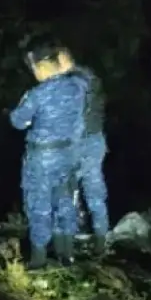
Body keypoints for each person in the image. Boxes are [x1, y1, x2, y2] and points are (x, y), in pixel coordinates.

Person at [8, 43, 88, 270]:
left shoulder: (37, 94)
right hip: (70, 155)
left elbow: (17, 121)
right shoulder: (77, 88)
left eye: (34, 68)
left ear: (42, 67)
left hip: (42, 157)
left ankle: (39, 258)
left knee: (39, 204)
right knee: (65, 202)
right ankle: (66, 254)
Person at [57, 47, 110, 253]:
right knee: (94, 190)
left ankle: (72, 235)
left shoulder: (74, 81)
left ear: (62, 60)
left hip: (81, 142)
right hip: (95, 140)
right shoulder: (90, 77)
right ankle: (100, 238)